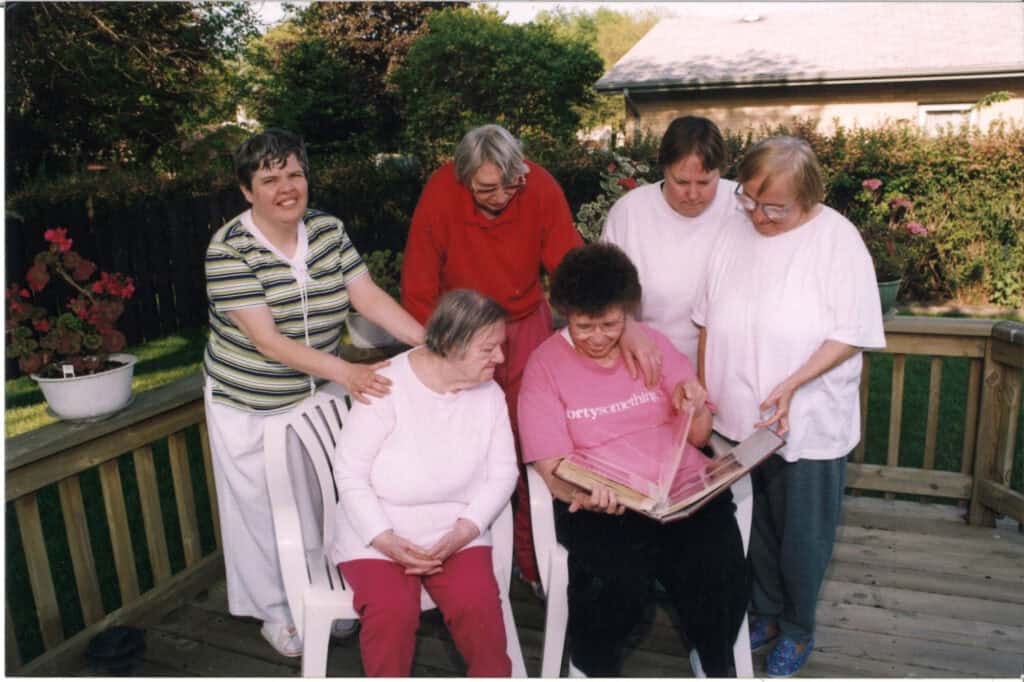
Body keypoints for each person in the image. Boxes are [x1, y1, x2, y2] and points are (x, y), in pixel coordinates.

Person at [400, 124, 662, 589]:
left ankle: (532, 561)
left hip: (524, 326)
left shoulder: (538, 186)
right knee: (464, 447)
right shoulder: (439, 193)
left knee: (530, 446)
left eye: (511, 183)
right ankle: (458, 562)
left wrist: (627, 321)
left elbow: (571, 266)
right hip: (461, 331)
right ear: (463, 178)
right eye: (487, 188)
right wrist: (441, 352)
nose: (502, 195)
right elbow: (418, 288)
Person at [203, 128, 424, 658]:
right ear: (246, 190)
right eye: (270, 178)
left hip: (314, 395)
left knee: (321, 499)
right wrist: (347, 373)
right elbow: (267, 340)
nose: (286, 187)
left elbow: (366, 297)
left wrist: (431, 341)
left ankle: (323, 594)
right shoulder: (227, 251)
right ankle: (277, 613)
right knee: (261, 512)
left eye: (295, 174)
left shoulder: (327, 230)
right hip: (248, 404)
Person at [691, 136, 886, 676]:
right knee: (756, 529)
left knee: (803, 535)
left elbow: (851, 333)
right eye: (749, 200)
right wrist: (708, 393)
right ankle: (764, 610)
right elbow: (707, 318)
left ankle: (798, 628)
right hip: (739, 421)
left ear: (808, 198)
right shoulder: (736, 228)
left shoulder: (836, 240)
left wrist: (791, 385)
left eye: (773, 207)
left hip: (808, 419)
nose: (758, 215)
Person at [517, 243, 750, 677]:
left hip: (679, 493)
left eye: (610, 324)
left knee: (721, 571)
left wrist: (695, 403)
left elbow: (699, 436)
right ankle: (592, 663)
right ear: (566, 314)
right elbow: (552, 471)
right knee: (618, 586)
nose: (599, 337)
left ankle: (713, 656)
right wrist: (582, 495)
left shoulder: (651, 346)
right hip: (606, 502)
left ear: (626, 314)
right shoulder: (544, 366)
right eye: (584, 326)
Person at [330, 289, 519, 677]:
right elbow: (350, 472)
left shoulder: (490, 394)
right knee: (391, 612)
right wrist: (383, 538)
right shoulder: (386, 386)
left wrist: (464, 532)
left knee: (477, 606)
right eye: (488, 349)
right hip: (379, 531)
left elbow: (504, 473)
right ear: (450, 344)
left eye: (500, 346)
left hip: (454, 529)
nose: (500, 358)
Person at [602, 115, 738, 363]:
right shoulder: (629, 213)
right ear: (663, 168)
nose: (693, 194)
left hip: (728, 366)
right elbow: (604, 291)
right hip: (650, 361)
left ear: (721, 172)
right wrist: (626, 326)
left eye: (706, 182)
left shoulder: (742, 207)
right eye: (682, 182)